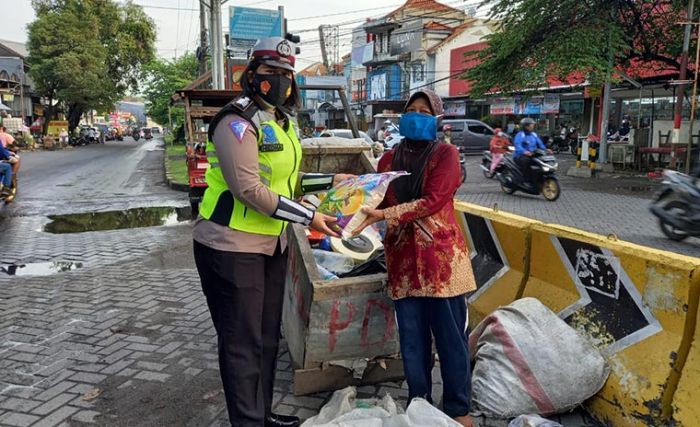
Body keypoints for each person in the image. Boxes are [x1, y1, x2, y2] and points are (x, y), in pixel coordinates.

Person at [192, 36, 352, 427]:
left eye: (286, 74)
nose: (279, 80)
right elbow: (249, 190)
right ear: (252, 74)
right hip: (230, 246)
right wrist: (308, 217)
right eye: (270, 72)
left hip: (270, 244)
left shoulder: (280, 121)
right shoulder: (236, 121)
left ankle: (260, 415)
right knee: (242, 344)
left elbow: (287, 181)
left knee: (266, 338)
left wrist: (332, 179)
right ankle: (247, 422)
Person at [351, 89, 477, 427]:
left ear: (435, 118)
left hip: (441, 262)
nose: (416, 115)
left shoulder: (446, 155)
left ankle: (458, 407)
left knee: (451, 340)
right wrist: (347, 205)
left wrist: (384, 215)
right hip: (403, 261)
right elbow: (374, 199)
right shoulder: (388, 160)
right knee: (412, 340)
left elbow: (434, 200)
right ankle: (419, 401)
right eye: (411, 109)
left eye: (425, 110)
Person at [513, 117, 547, 187]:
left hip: (532, 154)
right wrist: (524, 151)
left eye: (533, 125)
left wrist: (546, 149)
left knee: (541, 162)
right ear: (525, 126)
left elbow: (540, 143)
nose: (532, 126)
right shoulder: (520, 134)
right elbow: (517, 145)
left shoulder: (534, 134)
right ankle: (526, 181)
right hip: (520, 156)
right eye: (531, 125)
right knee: (526, 162)